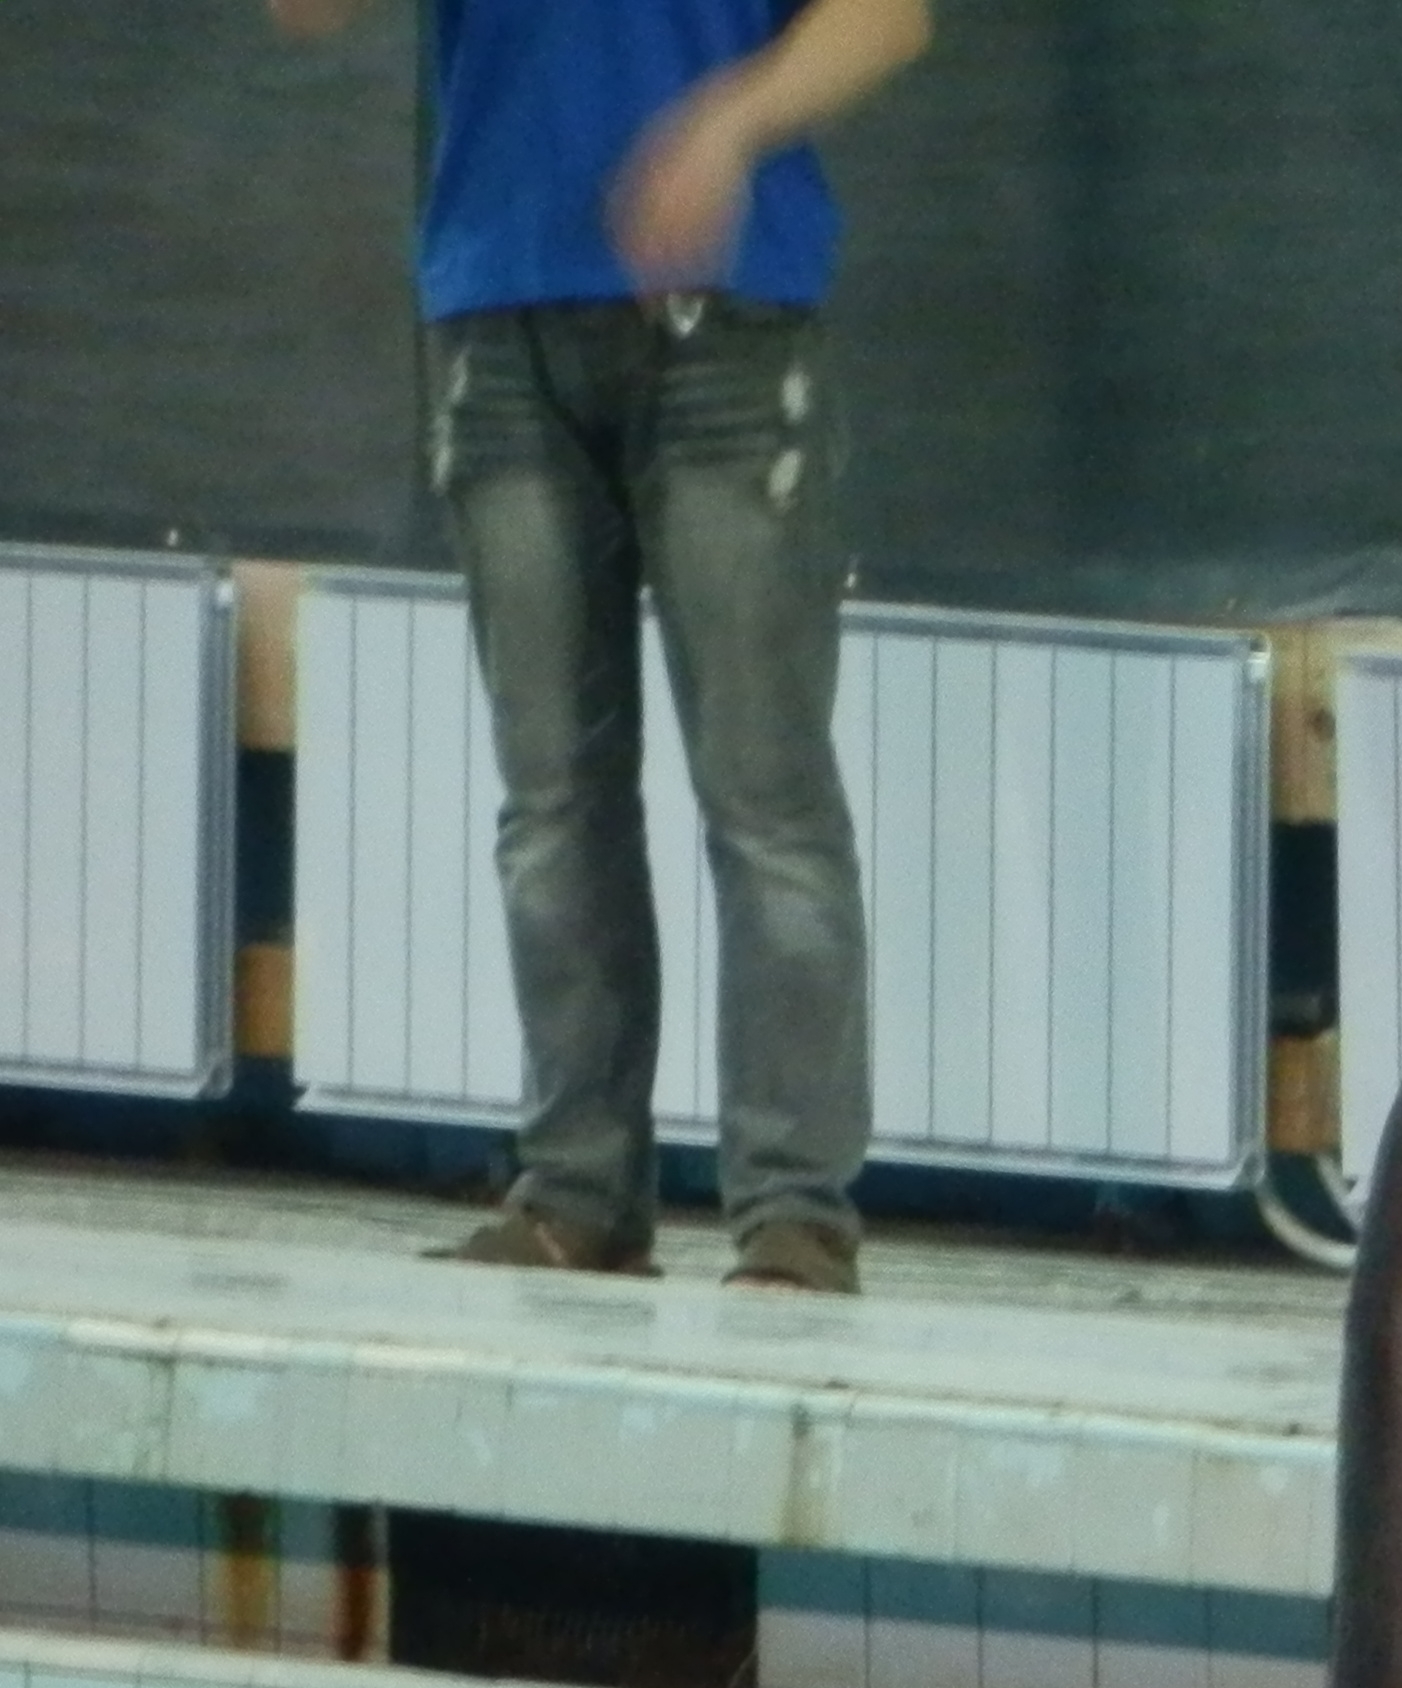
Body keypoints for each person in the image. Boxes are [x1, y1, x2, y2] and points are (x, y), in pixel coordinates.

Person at [269, 0, 933, 1294]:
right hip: (501, 311)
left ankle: (795, 1215)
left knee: (763, 793)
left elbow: (884, 18)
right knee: (555, 798)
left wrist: (726, 125)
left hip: (727, 322)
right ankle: (577, 1192)